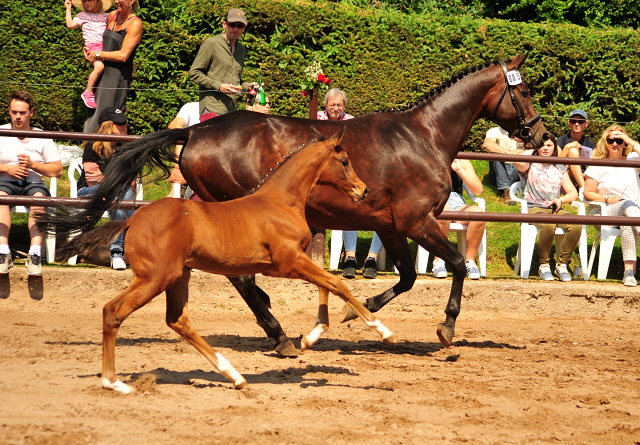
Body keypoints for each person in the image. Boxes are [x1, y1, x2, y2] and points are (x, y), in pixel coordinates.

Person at [315, 88, 378, 278]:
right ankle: (350, 256)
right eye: (332, 105)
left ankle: (367, 258)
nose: (335, 108)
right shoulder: (316, 118)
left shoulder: (350, 121)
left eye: (339, 105)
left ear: (344, 106)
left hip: (344, 171)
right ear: (326, 105)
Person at [0, 91, 63, 276]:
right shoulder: (2, 132)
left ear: (31, 113)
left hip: (34, 183)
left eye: (22, 113)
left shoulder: (41, 137)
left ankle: (34, 254)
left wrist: (33, 165)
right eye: (14, 112)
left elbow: (57, 171)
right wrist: (7, 169)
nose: (18, 117)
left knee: (39, 199)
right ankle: (3, 252)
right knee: (0, 198)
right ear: (9, 112)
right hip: (5, 182)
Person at [515, 132, 581, 282]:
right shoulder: (530, 164)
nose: (545, 148)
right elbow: (519, 163)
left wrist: (561, 200)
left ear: (554, 148)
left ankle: (562, 265)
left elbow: (573, 193)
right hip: (533, 208)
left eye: (549, 145)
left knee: (576, 225)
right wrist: (532, 146)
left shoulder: (559, 167)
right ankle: (544, 265)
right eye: (542, 145)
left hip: (555, 209)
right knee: (548, 225)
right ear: (537, 147)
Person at [77, 107, 134, 270]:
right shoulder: (92, 146)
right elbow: (92, 180)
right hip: (88, 192)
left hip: (115, 195)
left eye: (125, 121)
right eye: (119, 122)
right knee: (118, 191)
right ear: (107, 125)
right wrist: (118, 180)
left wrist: (115, 181)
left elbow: (132, 181)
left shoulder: (127, 149)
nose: (124, 125)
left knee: (117, 196)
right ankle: (121, 250)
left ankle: (117, 253)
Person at [583, 124, 640, 287]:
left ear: (624, 143)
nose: (615, 143)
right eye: (611, 140)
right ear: (605, 142)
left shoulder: (633, 161)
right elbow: (588, 193)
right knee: (627, 206)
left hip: (630, 214)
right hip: (602, 212)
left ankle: (629, 273)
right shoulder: (598, 164)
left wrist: (628, 139)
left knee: (628, 223)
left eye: (619, 140)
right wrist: (606, 200)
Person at [83, 0, 143, 132]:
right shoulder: (112, 16)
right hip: (101, 72)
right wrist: (89, 48)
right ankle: (88, 148)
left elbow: (123, 55)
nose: (116, 1)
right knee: (93, 114)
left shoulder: (135, 23)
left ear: (131, 1)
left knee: (109, 120)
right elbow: (97, 36)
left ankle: (108, 151)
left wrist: (98, 54)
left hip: (116, 79)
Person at [189, 8, 254, 116]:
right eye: (232, 24)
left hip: (231, 110)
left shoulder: (241, 50)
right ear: (224, 24)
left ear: (244, 28)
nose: (235, 29)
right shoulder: (211, 44)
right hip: (212, 108)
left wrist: (249, 86)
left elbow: (234, 79)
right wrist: (219, 86)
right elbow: (194, 73)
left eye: (240, 26)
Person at [431, 159, 485, 280]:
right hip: (436, 200)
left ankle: (470, 262)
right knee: (444, 211)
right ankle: (439, 261)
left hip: (457, 201)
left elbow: (478, 190)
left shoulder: (462, 161)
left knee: (478, 214)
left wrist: (459, 170)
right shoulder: (428, 154)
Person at [65, 0, 111, 109]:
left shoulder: (107, 16)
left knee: (110, 71)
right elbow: (70, 24)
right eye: (84, 1)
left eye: (89, 0)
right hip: (93, 47)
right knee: (99, 67)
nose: (87, 3)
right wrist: (68, 9)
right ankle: (88, 92)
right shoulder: (83, 15)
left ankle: (114, 99)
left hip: (106, 46)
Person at [482, 126, 523, 205]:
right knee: (496, 155)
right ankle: (507, 191)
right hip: (498, 171)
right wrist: (508, 153)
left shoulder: (524, 132)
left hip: (518, 169)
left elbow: (538, 146)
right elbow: (487, 144)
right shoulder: (495, 131)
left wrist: (526, 141)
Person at [166, 102, 200, 197]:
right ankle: (176, 189)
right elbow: (173, 125)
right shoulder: (191, 107)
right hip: (193, 148)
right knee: (180, 140)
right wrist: (194, 138)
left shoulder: (226, 107)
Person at [557, 109, 596, 189]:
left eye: (580, 121)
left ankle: (581, 186)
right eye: (573, 121)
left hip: (583, 175)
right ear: (569, 123)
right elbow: (557, 165)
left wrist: (581, 175)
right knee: (573, 151)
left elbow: (594, 168)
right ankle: (583, 188)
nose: (577, 124)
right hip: (564, 175)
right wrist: (567, 147)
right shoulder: (561, 141)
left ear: (586, 124)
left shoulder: (590, 144)